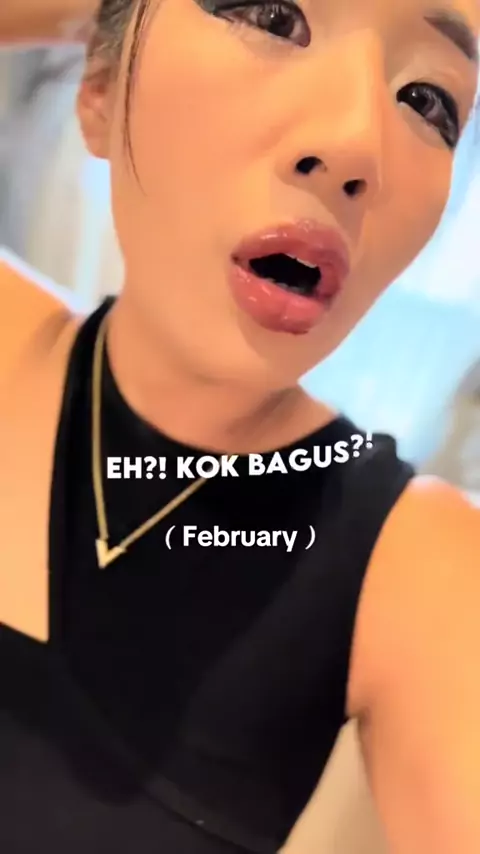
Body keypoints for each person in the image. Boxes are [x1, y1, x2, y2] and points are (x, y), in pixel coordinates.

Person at [1, 1, 480, 852]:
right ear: (100, 92)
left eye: (428, 101)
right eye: (271, 15)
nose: (356, 144)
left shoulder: (420, 568)